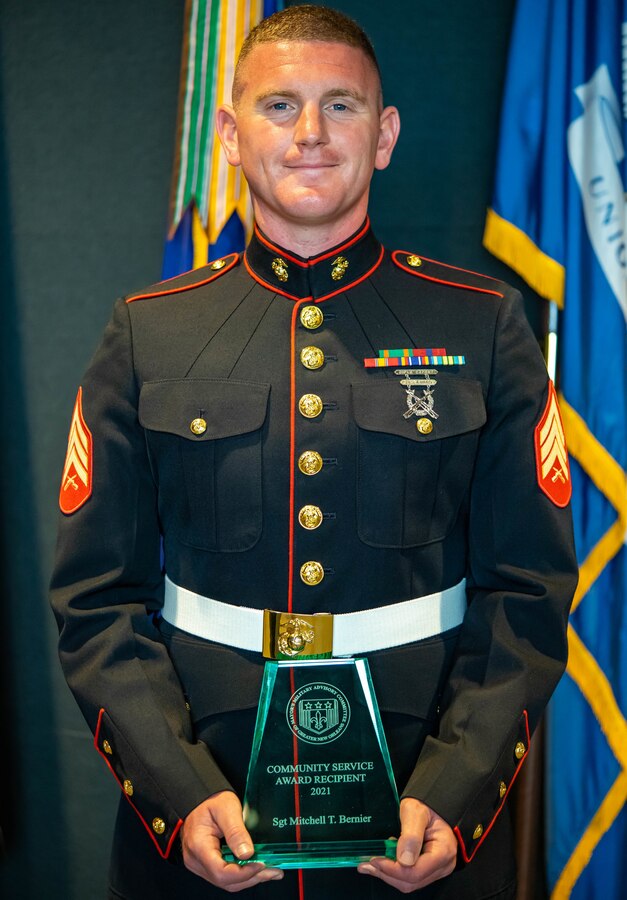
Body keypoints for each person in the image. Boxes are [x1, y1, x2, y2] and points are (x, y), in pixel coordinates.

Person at [50, 5, 578, 899]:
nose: (309, 135)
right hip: (208, 820)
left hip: (419, 821)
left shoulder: (479, 326)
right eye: (278, 106)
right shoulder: (148, 333)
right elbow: (97, 599)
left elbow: (525, 595)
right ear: (228, 133)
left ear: (384, 135)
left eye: (341, 107)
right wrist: (178, 794)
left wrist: (455, 793)